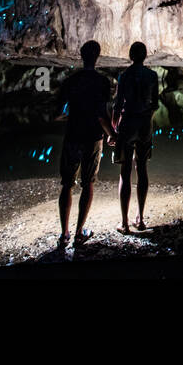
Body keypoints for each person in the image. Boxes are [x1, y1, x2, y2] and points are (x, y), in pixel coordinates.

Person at [54, 40, 115, 249]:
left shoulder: (71, 81)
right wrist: (112, 134)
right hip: (92, 137)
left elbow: (58, 113)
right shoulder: (102, 82)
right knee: (88, 182)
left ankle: (64, 235)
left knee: (67, 184)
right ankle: (80, 233)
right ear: (97, 57)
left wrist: (72, 114)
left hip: (73, 135)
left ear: (81, 56)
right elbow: (101, 114)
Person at [112, 41, 160, 232]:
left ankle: (124, 223)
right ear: (145, 56)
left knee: (125, 171)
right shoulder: (152, 75)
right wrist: (146, 118)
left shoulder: (124, 76)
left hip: (128, 122)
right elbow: (155, 104)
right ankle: (140, 219)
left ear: (131, 56)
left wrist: (114, 128)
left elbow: (117, 105)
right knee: (142, 168)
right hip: (144, 123)